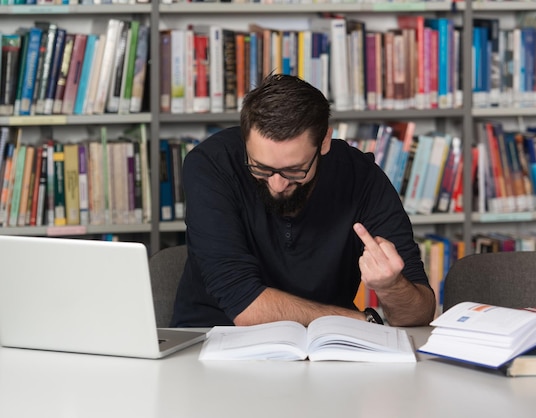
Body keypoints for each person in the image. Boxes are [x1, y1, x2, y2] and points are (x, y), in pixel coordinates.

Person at [171, 74, 435, 328]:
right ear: (245, 140)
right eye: (260, 168)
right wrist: (363, 321)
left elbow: (419, 313)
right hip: (209, 339)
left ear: (324, 142)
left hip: (325, 348)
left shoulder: (361, 177)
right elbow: (245, 306)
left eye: (294, 170)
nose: (277, 184)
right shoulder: (211, 165)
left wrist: (392, 287)